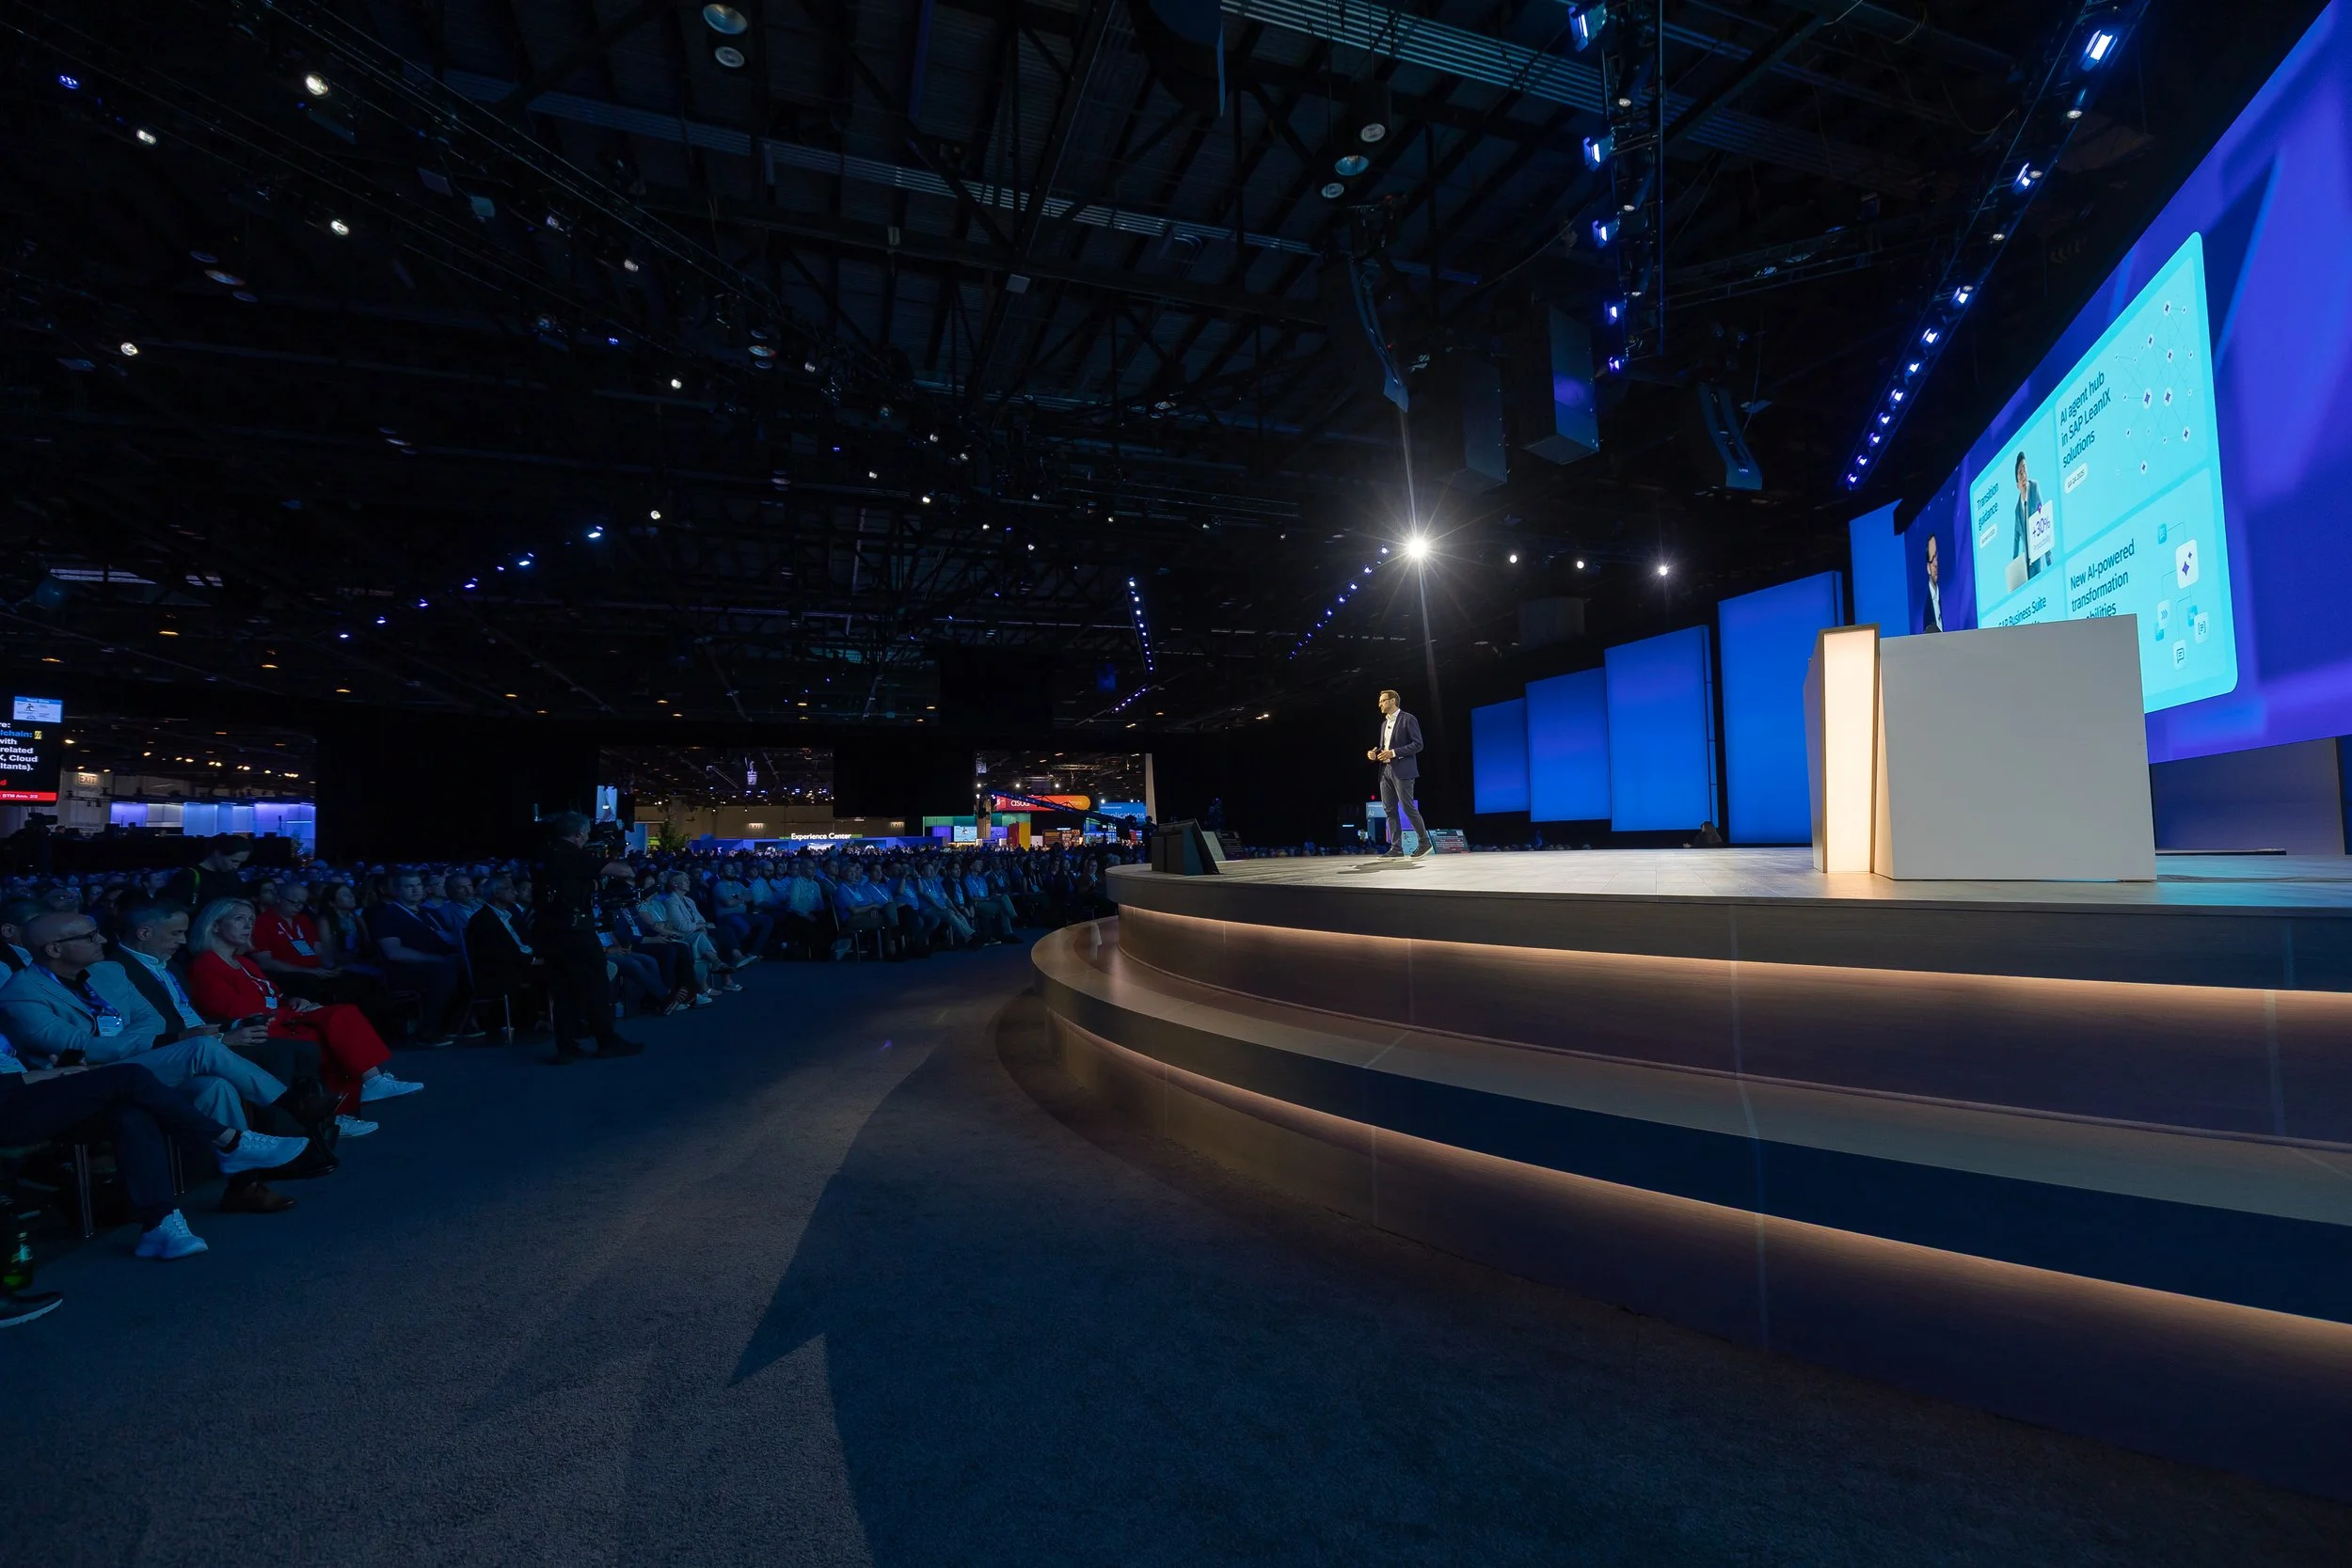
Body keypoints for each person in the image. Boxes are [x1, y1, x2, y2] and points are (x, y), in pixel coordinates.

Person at [0, 912, 314, 1212]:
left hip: (141, 1065)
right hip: (87, 1081)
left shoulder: (110, 971)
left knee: (214, 1086)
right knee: (201, 1047)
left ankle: (244, 1186)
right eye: (90, 936)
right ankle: (294, 1105)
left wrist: (123, 1045)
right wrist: (132, 1045)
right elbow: (80, 1047)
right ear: (54, 949)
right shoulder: (20, 992)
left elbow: (152, 1021)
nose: (102, 939)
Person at [0, 1032, 310, 1264]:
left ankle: (159, 1223)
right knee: (130, 1076)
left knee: (130, 1112)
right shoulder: (23, 988)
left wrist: (56, 1070)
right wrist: (42, 1075)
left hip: (32, 1091)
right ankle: (229, 1141)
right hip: (11, 1104)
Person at [113, 900, 364, 1146]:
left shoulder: (168, 965)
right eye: (176, 933)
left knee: (304, 1046)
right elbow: (135, 1034)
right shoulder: (115, 970)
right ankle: (299, 1122)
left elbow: (192, 1015)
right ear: (144, 933)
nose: (182, 941)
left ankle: (301, 1135)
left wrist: (233, 1027)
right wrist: (224, 1036)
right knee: (281, 1050)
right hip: (174, 1049)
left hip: (204, 1037)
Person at [185, 899, 420, 1113]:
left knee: (337, 1024)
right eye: (239, 919)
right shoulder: (206, 964)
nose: (248, 925)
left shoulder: (244, 962)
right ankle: (363, 1088)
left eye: (250, 920)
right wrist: (286, 1011)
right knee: (333, 1023)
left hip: (280, 1017)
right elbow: (231, 1011)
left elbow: (273, 995)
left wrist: (293, 1001)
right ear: (215, 926)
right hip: (256, 1028)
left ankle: (345, 1104)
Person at [532, 814, 645, 1064]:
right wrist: (611, 855)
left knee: (562, 991)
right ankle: (607, 1041)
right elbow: (624, 871)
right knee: (596, 987)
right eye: (585, 834)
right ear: (578, 834)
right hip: (576, 932)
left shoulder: (544, 853)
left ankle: (567, 1047)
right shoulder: (573, 855)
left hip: (549, 932)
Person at [363, 872, 471, 1047]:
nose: (416, 890)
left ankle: (458, 1024)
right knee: (445, 970)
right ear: (397, 890)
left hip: (440, 961)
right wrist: (436, 959)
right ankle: (427, 1031)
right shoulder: (386, 915)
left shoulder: (430, 913)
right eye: (409, 886)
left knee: (468, 966)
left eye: (418, 885)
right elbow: (394, 952)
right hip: (405, 970)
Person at [464, 875, 546, 1033]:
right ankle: (545, 1020)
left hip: (525, 962)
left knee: (565, 965)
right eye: (510, 889)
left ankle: (556, 1018)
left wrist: (541, 955)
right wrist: (532, 960)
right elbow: (495, 953)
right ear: (496, 893)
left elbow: (528, 941)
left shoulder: (512, 915)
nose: (515, 893)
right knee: (558, 972)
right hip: (502, 970)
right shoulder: (481, 920)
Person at [1367, 688, 1431, 858]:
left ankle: (1424, 843)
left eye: (1383, 701)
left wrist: (1394, 753)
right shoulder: (1384, 724)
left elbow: (1418, 744)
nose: (1380, 704)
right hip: (1385, 770)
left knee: (1407, 806)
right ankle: (1396, 848)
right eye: (1380, 701)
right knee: (1389, 810)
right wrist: (1374, 754)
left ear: (1393, 701)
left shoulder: (1408, 719)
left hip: (1403, 769)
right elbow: (1384, 748)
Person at [164, 836, 250, 913]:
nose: (236, 867)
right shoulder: (188, 876)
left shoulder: (233, 876)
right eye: (234, 861)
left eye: (240, 862)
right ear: (217, 853)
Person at [2011, 451, 2050, 581]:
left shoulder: (2034, 488)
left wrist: (2049, 561)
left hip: (2038, 555)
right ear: (2017, 485)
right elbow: (2016, 539)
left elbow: (2043, 518)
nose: (2024, 475)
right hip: (2026, 564)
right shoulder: (2017, 510)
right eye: (2020, 473)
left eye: (2024, 469)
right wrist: (2014, 571)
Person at [1922, 531, 1945, 633]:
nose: (1935, 564)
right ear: (1928, 568)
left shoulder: (1946, 597)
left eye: (1937, 557)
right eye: (1932, 559)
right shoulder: (1925, 608)